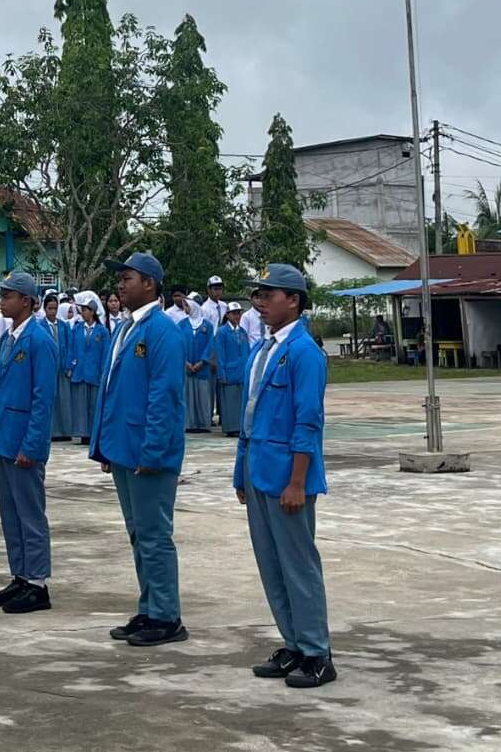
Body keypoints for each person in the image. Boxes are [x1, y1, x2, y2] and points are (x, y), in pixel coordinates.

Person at [234, 264, 335, 688]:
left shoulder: (304, 353)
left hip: (287, 478)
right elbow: (249, 417)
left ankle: (317, 653)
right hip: (259, 472)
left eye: (268, 294)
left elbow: (307, 423)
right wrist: (240, 472)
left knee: (298, 565)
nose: (259, 302)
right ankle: (293, 642)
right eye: (258, 294)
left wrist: (297, 481)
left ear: (293, 300)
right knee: (271, 565)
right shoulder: (263, 350)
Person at [90, 251, 188, 647]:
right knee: (138, 534)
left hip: (149, 455)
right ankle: (149, 607)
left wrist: (151, 452)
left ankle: (167, 616)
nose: (119, 285)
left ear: (149, 283)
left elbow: (163, 398)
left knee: (154, 535)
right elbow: (113, 392)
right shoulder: (125, 328)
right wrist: (105, 446)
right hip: (124, 450)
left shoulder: (162, 331)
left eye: (127, 278)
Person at [0, 272, 58, 614]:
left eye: (8, 296)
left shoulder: (40, 339)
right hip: (5, 438)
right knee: (10, 513)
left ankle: (37, 582)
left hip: (24, 441)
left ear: (26, 301)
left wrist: (32, 444)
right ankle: (20, 575)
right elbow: (2, 392)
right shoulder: (11, 336)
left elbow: (43, 398)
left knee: (29, 513)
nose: (2, 301)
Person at [69, 292, 107, 446]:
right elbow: (71, 348)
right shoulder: (77, 329)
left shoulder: (102, 331)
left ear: (92, 311)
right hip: (80, 370)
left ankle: (93, 432)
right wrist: (70, 365)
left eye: (85, 310)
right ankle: (82, 432)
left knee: (94, 404)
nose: (82, 312)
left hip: (95, 372)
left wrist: (104, 370)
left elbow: (106, 351)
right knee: (80, 403)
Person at [215, 302, 250, 438]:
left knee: (241, 401)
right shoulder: (222, 332)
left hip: (241, 371)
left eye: (239, 313)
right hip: (229, 371)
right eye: (234, 313)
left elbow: (247, 351)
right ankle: (230, 427)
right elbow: (220, 354)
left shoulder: (242, 332)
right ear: (228, 315)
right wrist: (221, 373)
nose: (237, 316)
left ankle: (240, 426)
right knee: (229, 401)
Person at [40, 294, 72, 442]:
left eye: (54, 308)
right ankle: (50, 430)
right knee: (49, 398)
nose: (52, 312)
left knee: (64, 399)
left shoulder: (63, 325)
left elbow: (69, 345)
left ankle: (64, 430)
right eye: (49, 309)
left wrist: (69, 364)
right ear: (45, 309)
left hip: (62, 365)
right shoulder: (40, 325)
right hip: (47, 367)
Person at [182, 309, 215, 433]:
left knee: (203, 394)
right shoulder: (182, 324)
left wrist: (202, 361)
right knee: (188, 394)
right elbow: (178, 343)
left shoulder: (208, 325)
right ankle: (189, 423)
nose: (186, 308)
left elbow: (211, 344)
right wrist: (185, 361)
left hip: (203, 367)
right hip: (187, 366)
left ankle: (203, 423)